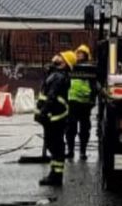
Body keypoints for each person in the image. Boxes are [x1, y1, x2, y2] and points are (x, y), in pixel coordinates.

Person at [35, 51, 76, 186]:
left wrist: (43, 112)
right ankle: (54, 174)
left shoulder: (58, 77)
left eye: (60, 56)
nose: (56, 56)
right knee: (54, 146)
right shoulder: (56, 74)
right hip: (53, 116)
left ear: (64, 63)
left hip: (54, 117)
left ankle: (56, 177)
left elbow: (51, 97)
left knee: (56, 146)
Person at [66, 44, 97, 161]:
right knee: (70, 128)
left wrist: (92, 100)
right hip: (72, 101)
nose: (79, 55)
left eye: (82, 53)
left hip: (85, 103)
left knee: (84, 129)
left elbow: (94, 86)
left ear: (86, 55)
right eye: (78, 53)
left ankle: (83, 151)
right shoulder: (71, 66)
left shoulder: (90, 68)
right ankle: (70, 150)